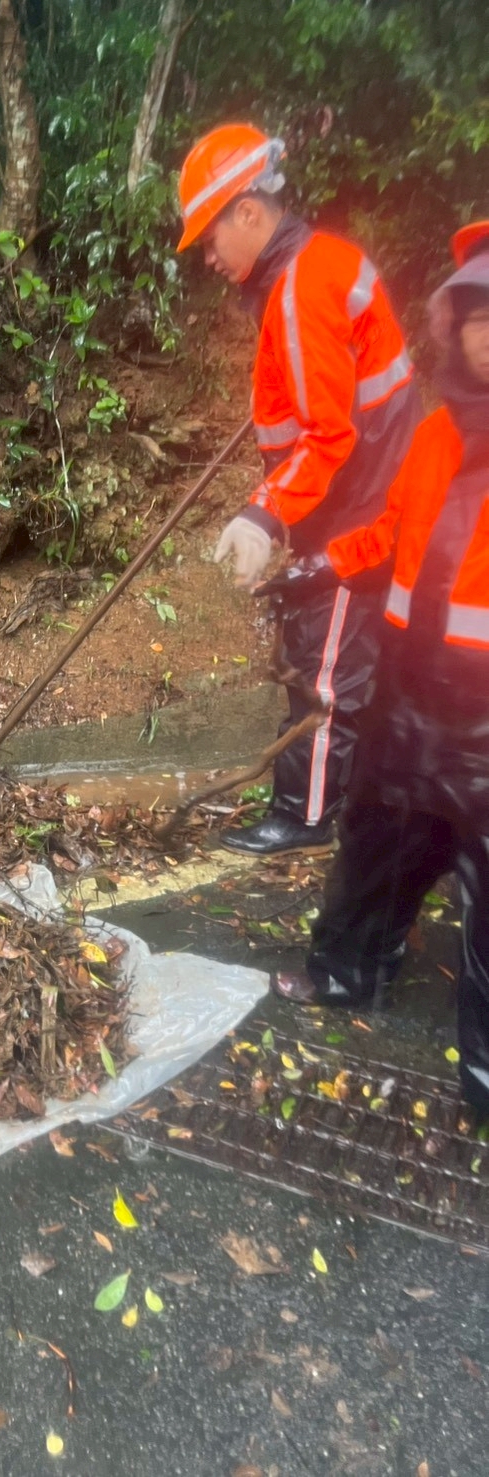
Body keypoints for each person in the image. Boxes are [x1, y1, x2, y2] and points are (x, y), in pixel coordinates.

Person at [265, 224, 489, 1116]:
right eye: (476, 316)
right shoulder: (435, 435)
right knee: (373, 846)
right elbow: (393, 533)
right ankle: (349, 972)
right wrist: (323, 564)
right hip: (408, 693)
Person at [176, 125, 419, 856]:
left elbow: (329, 437)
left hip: (355, 513)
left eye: (211, 237)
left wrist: (264, 515)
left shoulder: (301, 290)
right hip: (359, 498)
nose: (209, 257)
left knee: (323, 671)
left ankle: (305, 817)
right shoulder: (312, 269)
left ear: (249, 211)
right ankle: (348, 798)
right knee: (341, 663)